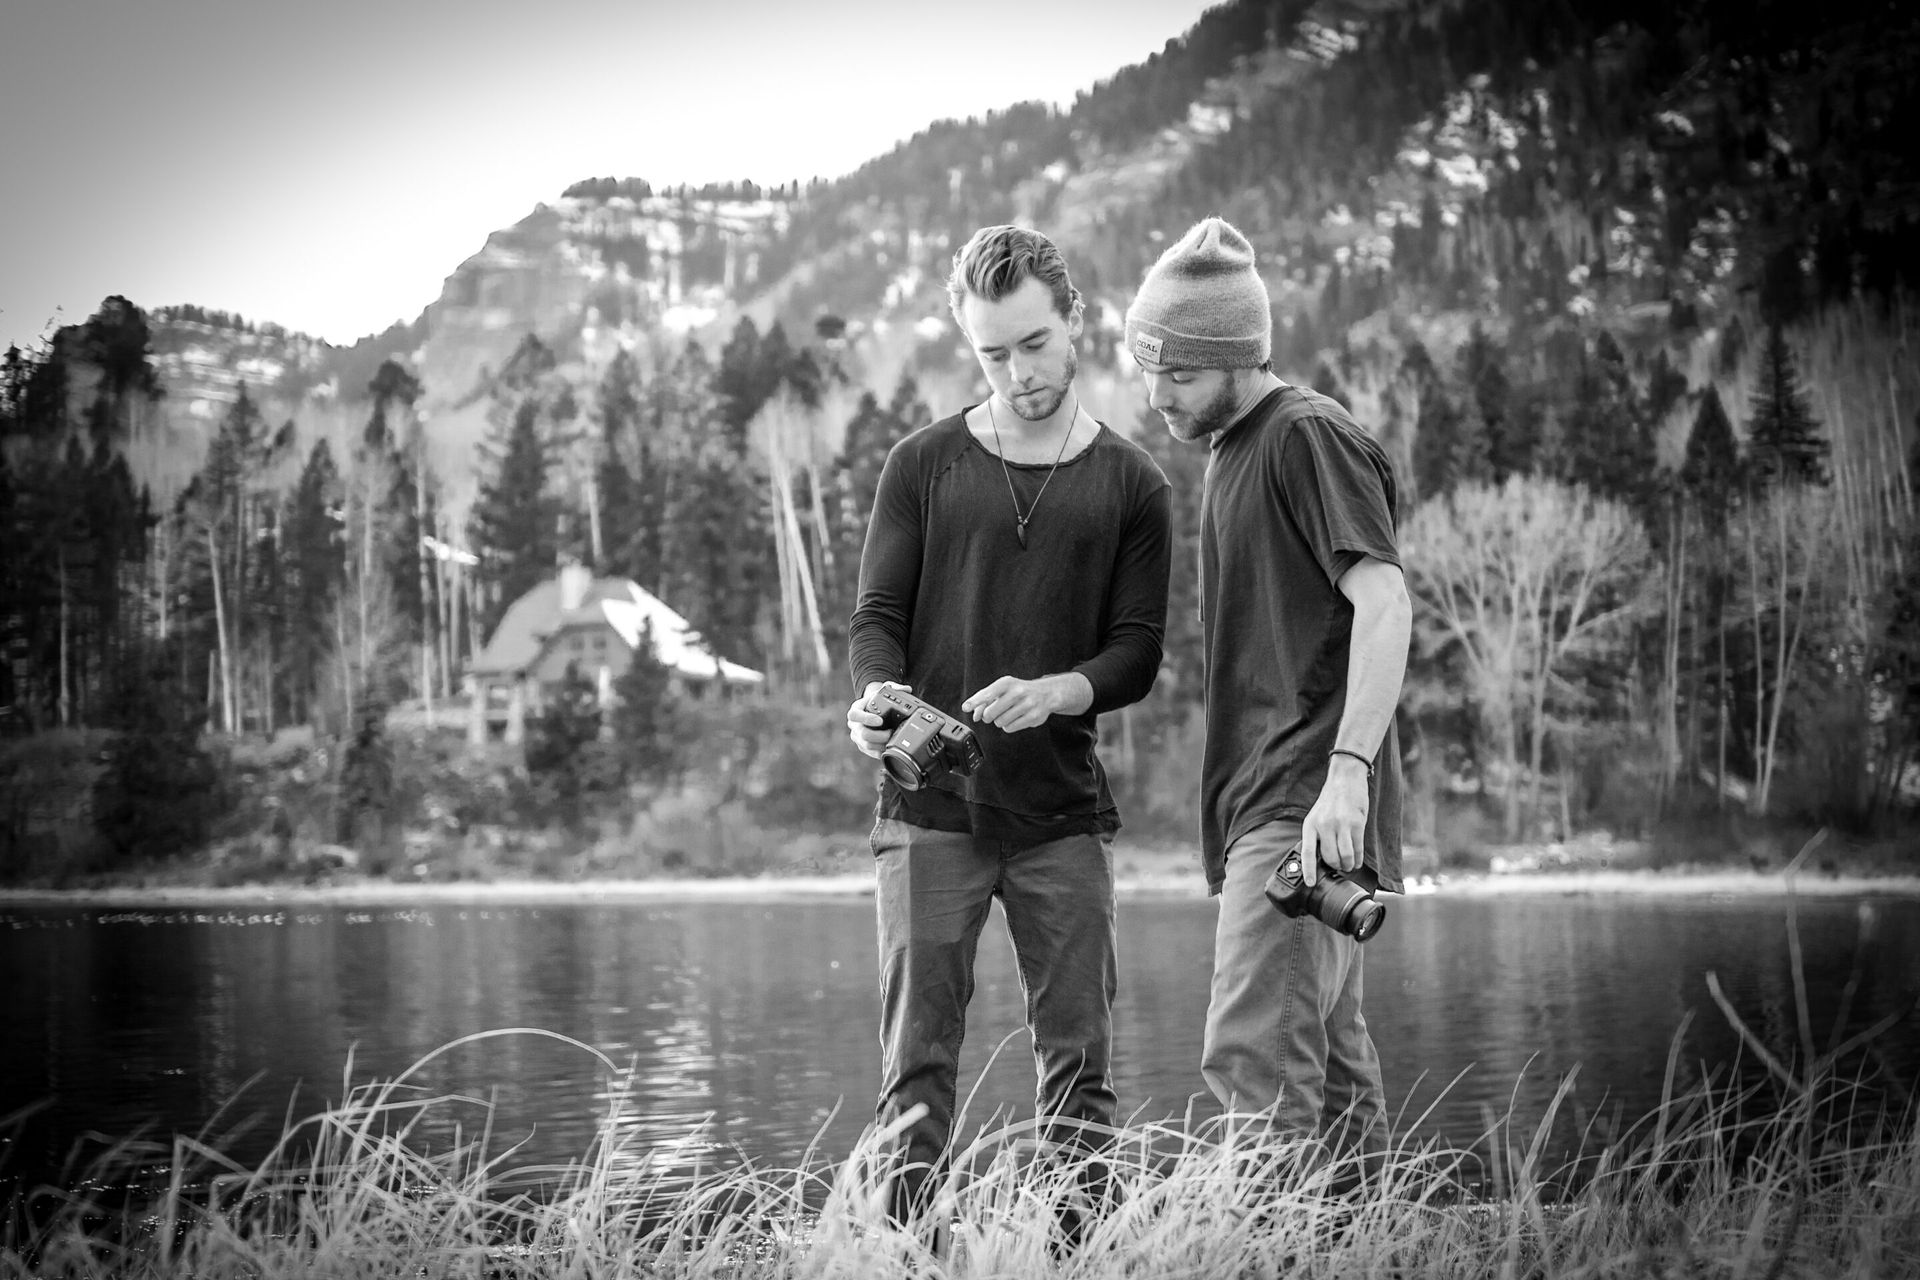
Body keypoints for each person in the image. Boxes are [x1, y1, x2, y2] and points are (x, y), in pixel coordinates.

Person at [846, 223, 1172, 1216]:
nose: (1019, 371)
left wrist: (1054, 691)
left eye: (1034, 343)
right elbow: (878, 619)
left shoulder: (1134, 485)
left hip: (1061, 819)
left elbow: (1135, 653)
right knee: (916, 1075)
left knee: (1081, 1074)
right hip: (927, 815)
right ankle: (902, 1253)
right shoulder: (921, 464)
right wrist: (872, 698)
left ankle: (1081, 1252)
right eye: (994, 353)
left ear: (1075, 320)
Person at [1125, 216, 1411, 1157]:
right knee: (1327, 1069)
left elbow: (1386, 601)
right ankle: (1372, 1247)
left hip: (1306, 802)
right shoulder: (1234, 449)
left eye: (1180, 371)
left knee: (1253, 1063)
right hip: (1281, 801)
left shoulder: (1304, 437)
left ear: (1239, 356)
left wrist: (1347, 771)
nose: (1158, 391)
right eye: (1148, 366)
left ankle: (1262, 1251)